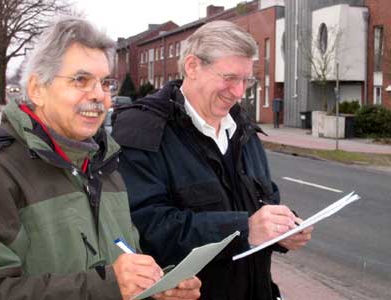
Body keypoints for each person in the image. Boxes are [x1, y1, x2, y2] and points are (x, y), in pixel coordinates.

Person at [0, 16, 201, 300]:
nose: (99, 96)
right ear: (37, 89)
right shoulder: (0, 170)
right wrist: (110, 286)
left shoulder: (106, 165)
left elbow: (124, 255)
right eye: (81, 80)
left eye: (105, 83)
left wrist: (155, 287)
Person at [112, 20, 313, 300]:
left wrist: (281, 231)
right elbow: (145, 228)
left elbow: (263, 201)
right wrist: (244, 229)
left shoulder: (243, 130)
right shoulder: (143, 131)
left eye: (246, 80)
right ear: (192, 67)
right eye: (229, 78)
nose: (240, 92)